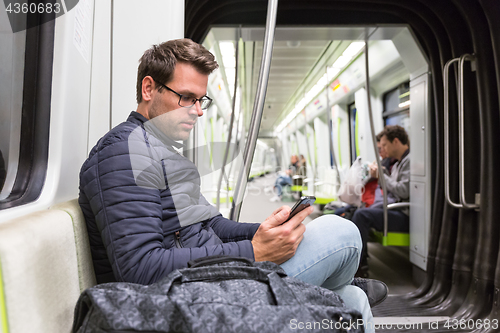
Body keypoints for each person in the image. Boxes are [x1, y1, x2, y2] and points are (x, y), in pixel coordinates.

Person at [78, 39, 386, 332]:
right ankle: (329, 281)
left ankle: (332, 283)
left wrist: (262, 230)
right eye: (186, 98)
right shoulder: (123, 154)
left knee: (353, 301)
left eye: (201, 101)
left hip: (209, 277)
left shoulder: (160, 153)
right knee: (342, 232)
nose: (197, 111)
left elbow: (212, 224)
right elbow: (139, 270)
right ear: (149, 88)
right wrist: (253, 252)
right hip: (183, 297)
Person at [351, 125, 410, 277]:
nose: (382, 148)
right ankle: (356, 261)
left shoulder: (409, 161)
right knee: (355, 212)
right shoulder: (398, 163)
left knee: (362, 215)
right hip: (394, 208)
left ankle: (359, 267)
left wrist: (382, 177)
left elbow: (403, 190)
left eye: (384, 145)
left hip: (406, 215)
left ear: (395, 141)